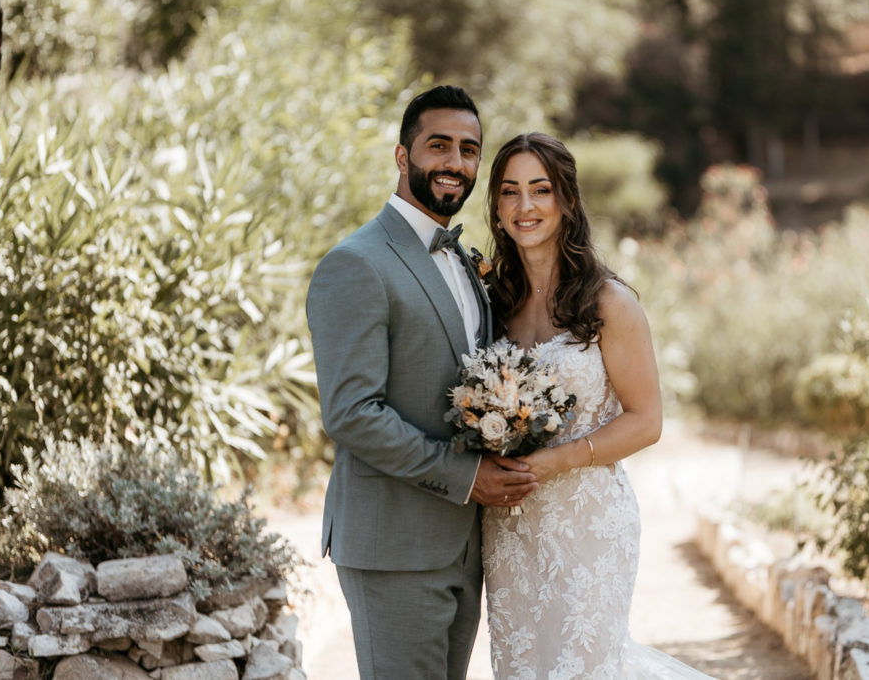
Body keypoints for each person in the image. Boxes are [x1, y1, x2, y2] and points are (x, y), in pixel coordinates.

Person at [306, 86, 538, 680]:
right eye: (439, 146)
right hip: (394, 546)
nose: (455, 163)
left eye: (468, 149)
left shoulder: (466, 260)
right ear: (402, 156)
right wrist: (467, 477)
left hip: (463, 546)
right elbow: (353, 412)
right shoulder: (356, 264)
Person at [480, 132, 715, 679]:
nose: (525, 206)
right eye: (510, 191)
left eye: (540, 190)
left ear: (566, 200)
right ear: (495, 205)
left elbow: (647, 421)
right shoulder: (492, 302)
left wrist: (557, 460)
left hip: (587, 521)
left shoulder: (610, 302)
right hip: (509, 529)